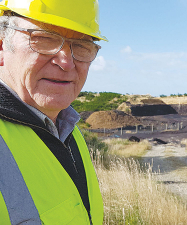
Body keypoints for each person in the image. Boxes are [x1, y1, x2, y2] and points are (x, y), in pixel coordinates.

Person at [0, 0, 107, 224]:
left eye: (81, 46)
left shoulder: (69, 129)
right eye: (44, 38)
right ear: (2, 45)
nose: (66, 63)